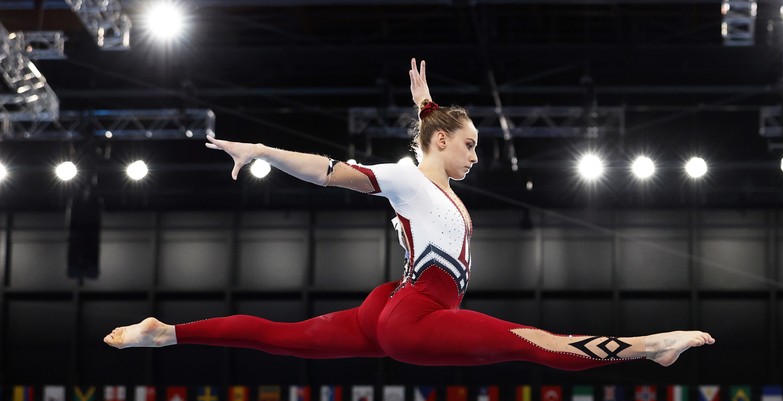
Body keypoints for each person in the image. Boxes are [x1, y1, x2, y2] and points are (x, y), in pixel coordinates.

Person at [104, 58, 714, 369]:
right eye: (470, 144)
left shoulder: (425, 175)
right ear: (443, 143)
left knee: (283, 338)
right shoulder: (402, 178)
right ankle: (650, 346)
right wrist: (263, 150)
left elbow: (430, 147)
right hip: (415, 312)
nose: (476, 156)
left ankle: (168, 334)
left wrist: (427, 107)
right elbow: (325, 170)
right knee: (538, 344)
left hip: (395, 305)